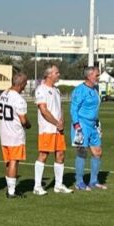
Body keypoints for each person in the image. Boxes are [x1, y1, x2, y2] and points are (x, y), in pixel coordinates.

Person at [33, 65, 71, 195]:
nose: (58, 74)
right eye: (56, 72)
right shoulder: (41, 90)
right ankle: (37, 186)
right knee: (43, 155)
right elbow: (43, 110)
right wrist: (56, 122)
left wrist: (62, 122)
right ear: (49, 75)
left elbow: (60, 108)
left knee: (60, 154)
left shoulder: (57, 90)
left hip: (58, 129)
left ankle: (58, 185)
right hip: (47, 128)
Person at [70, 66, 105, 191]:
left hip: (93, 125)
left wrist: (98, 124)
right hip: (82, 124)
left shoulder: (95, 90)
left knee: (98, 152)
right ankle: (79, 182)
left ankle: (93, 181)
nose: (98, 77)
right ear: (89, 76)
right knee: (82, 152)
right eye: (97, 75)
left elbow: (95, 109)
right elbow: (73, 109)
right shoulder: (80, 90)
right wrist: (77, 126)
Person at [0, 72, 31, 198]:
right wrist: (28, 124)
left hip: (4, 133)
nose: (25, 86)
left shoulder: (3, 94)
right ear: (21, 84)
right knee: (14, 161)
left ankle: (10, 188)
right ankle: (11, 191)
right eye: (25, 83)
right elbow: (23, 120)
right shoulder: (19, 99)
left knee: (8, 161)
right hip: (15, 134)